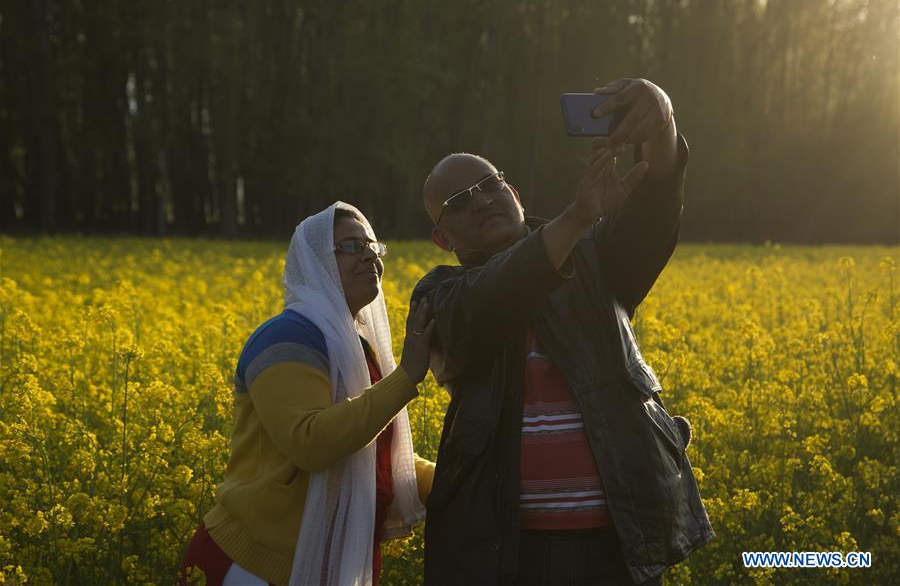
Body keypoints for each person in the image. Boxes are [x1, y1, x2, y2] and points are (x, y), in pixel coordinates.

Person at [412, 78, 714, 585]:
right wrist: (577, 217)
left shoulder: (595, 259)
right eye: (461, 201)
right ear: (442, 238)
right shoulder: (438, 295)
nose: (483, 200)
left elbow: (655, 208)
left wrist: (661, 121)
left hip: (618, 539)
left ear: (515, 192)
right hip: (509, 550)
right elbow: (489, 299)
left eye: (492, 184)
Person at [180, 202, 436, 586]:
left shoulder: (355, 348)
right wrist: (406, 376)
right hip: (253, 565)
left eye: (372, 246)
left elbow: (375, 453)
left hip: (318, 563)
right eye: (350, 246)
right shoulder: (287, 337)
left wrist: (457, 480)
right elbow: (311, 443)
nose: (368, 254)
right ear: (315, 263)